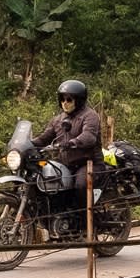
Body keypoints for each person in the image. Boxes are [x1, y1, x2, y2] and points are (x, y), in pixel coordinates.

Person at [38, 79, 104, 212]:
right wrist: (27, 145)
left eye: (69, 100)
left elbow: (89, 136)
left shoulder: (90, 116)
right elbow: (44, 138)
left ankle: (84, 217)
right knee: (48, 181)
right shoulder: (58, 120)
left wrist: (72, 143)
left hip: (89, 163)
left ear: (78, 100)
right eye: (62, 99)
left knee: (80, 184)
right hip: (66, 165)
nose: (65, 103)